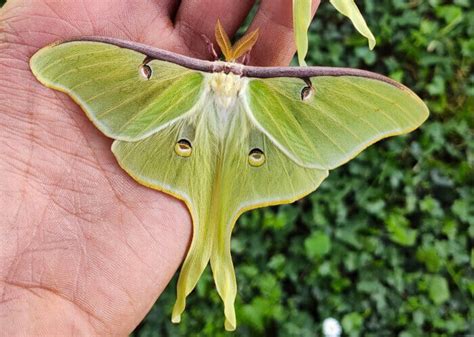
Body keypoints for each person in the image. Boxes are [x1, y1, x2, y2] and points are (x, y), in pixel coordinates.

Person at [0, 0, 319, 335]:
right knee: (212, 228)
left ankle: (207, 299)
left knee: (216, 226)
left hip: (217, 143)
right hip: (187, 143)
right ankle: (206, 300)